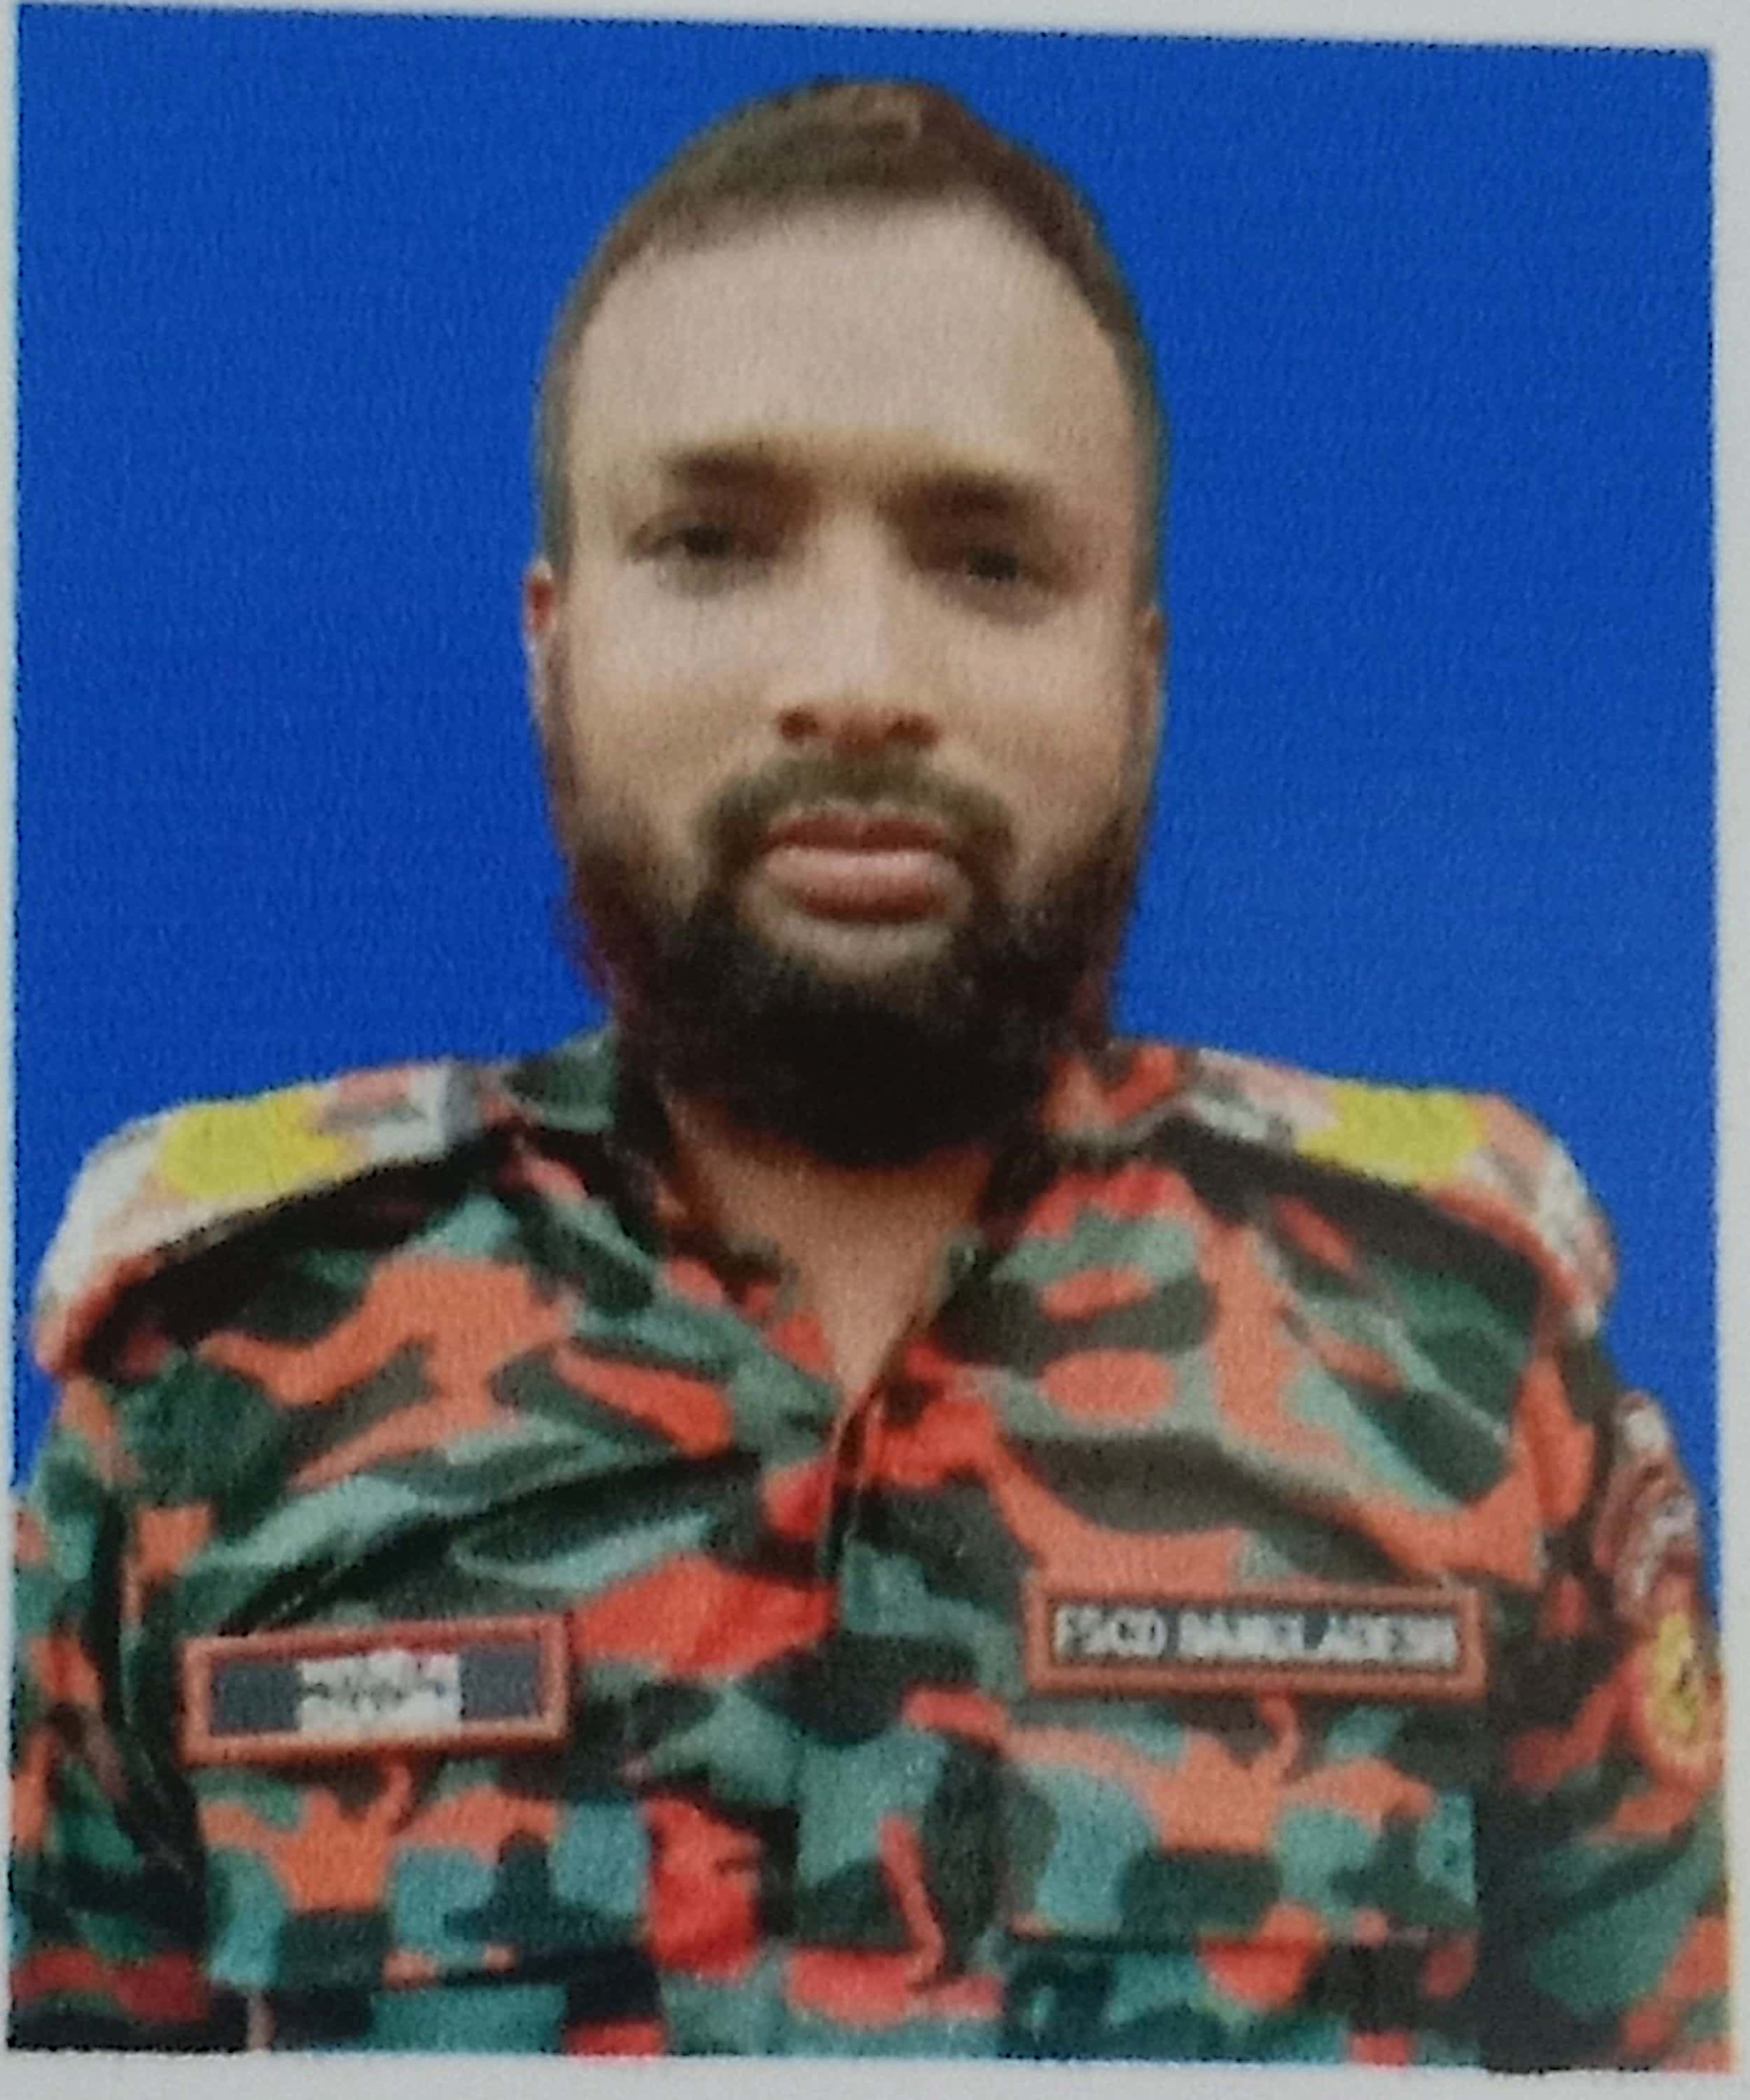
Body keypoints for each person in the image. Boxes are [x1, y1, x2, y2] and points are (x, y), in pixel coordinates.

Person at [10, 78, 1727, 2067]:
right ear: (552, 651)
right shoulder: (219, 1382)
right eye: (712, 543)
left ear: (1140, 677)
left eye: (988, 562)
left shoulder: (1457, 1365)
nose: (854, 681)